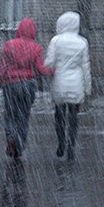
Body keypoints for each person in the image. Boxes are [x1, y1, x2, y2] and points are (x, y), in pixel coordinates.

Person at [0, 17, 53, 160]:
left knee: (10, 115)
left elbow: (3, 69)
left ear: (19, 30)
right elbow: (40, 69)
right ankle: (19, 150)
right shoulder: (36, 47)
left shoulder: (9, 45)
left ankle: (11, 137)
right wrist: (53, 70)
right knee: (23, 118)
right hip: (28, 85)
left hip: (11, 84)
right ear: (33, 31)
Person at [44, 11, 91, 161]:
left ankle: (61, 143)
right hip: (76, 83)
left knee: (59, 116)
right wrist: (87, 88)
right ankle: (71, 146)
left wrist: (48, 70)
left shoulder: (56, 41)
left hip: (60, 83)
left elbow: (49, 63)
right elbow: (85, 68)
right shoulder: (82, 42)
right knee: (73, 118)